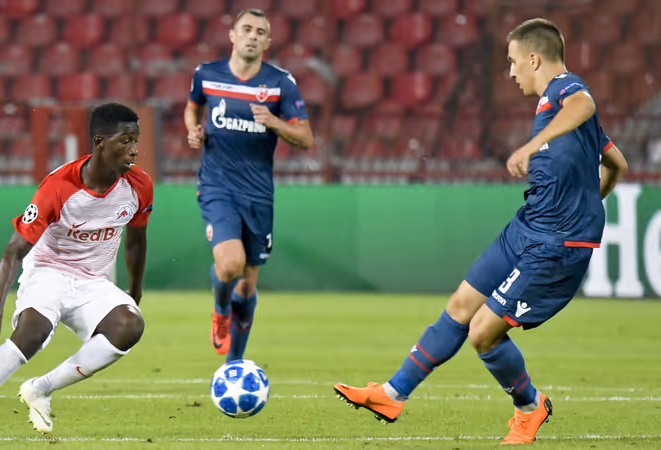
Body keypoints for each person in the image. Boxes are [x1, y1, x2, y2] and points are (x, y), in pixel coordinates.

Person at [333, 18, 629, 445]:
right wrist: (590, 197)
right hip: (529, 224)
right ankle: (392, 395)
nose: (510, 72)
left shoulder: (565, 89)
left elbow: (583, 104)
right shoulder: (556, 107)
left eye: (512, 61)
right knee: (460, 305)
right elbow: (617, 163)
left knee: (483, 331)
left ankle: (530, 407)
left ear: (533, 59)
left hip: (557, 242)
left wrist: (535, 151)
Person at [0, 103, 154, 437]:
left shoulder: (139, 185)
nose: (134, 150)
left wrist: (134, 290)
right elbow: (14, 250)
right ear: (100, 142)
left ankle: (41, 388)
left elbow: (136, 240)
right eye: (125, 141)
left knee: (129, 325)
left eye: (136, 140)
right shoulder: (59, 186)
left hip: (92, 281)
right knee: (30, 334)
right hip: (49, 271)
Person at [184, 9, 314, 362]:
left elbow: (305, 137)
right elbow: (192, 107)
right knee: (230, 265)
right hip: (217, 187)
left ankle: (234, 365)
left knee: (247, 284)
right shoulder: (206, 74)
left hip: (258, 194)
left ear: (268, 42)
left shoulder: (280, 83)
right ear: (233, 35)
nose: (252, 36)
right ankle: (220, 310)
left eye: (260, 31)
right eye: (246, 29)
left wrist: (274, 121)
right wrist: (193, 130)